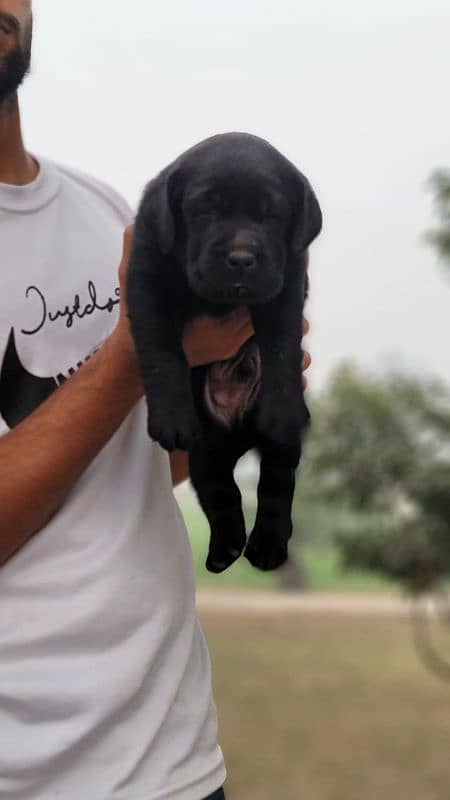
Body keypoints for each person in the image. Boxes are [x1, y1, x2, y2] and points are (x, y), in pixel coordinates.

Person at [0, 2, 312, 798]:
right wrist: (138, 358)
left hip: (169, 760)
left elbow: (134, 472)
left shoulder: (112, 213)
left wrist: (232, 396)